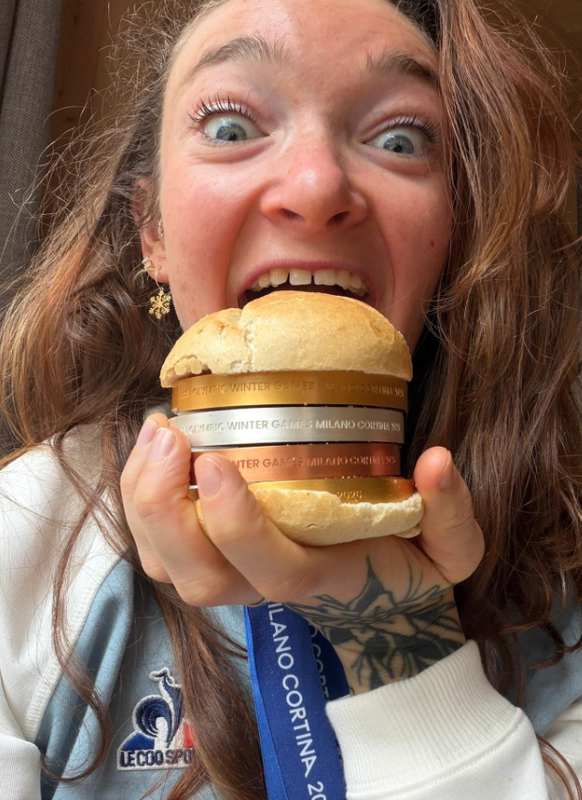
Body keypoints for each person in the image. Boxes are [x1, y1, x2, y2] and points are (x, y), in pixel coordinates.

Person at [0, 0, 581, 797]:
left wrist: (401, 640)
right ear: (153, 234)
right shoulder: (20, 547)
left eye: (400, 138)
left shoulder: (564, 579)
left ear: (454, 236)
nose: (316, 187)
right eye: (232, 127)